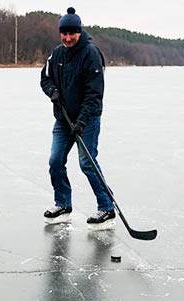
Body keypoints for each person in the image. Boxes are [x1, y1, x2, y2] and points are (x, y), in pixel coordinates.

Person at [40, 7, 115, 230]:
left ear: (79, 32)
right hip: (63, 119)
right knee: (55, 161)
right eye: (64, 33)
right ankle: (63, 205)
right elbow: (45, 78)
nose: (68, 38)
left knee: (87, 163)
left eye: (72, 33)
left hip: (88, 120)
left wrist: (81, 121)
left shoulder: (91, 54)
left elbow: (94, 94)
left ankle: (107, 208)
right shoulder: (57, 54)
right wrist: (52, 90)